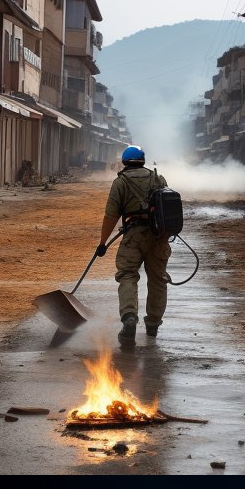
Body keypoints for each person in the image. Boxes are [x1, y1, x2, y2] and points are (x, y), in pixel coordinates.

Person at [96, 145, 171, 343]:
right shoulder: (157, 178)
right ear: (143, 161)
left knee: (127, 275)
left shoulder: (120, 182)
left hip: (134, 237)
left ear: (124, 162)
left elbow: (110, 216)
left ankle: (129, 317)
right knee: (158, 279)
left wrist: (103, 243)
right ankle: (153, 325)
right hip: (159, 236)